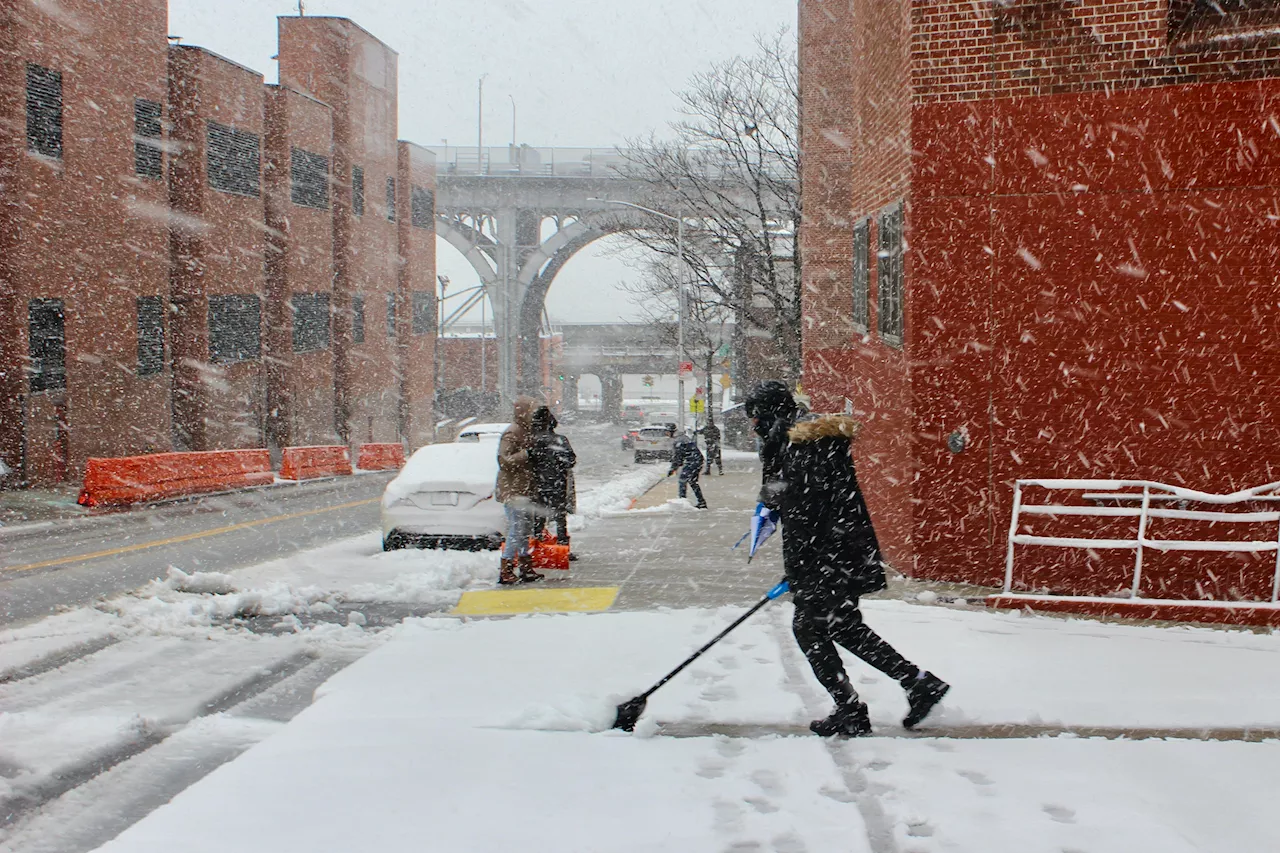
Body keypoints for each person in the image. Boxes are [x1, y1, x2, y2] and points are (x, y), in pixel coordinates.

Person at [743, 380, 949, 737]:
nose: (754, 427)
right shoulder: (800, 443)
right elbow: (807, 507)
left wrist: (804, 568)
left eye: (756, 418)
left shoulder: (800, 448)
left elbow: (808, 514)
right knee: (841, 626)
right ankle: (916, 684)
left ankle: (853, 707)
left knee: (810, 627)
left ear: (771, 414)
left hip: (829, 557)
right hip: (839, 554)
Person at [495, 396, 545, 585]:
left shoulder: (526, 430)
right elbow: (504, 459)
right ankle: (506, 569)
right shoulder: (513, 432)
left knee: (524, 529)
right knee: (517, 529)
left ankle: (525, 566)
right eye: (532, 410)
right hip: (514, 490)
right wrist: (527, 454)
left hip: (524, 488)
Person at [529, 406, 578, 559]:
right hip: (557, 484)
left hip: (539, 485)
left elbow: (527, 462)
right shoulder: (560, 440)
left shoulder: (532, 441)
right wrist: (559, 465)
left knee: (539, 517)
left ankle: (538, 547)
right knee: (559, 517)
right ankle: (563, 548)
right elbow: (571, 460)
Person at [666, 426, 707, 509]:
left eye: (667, 432)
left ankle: (682, 501)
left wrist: (673, 469)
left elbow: (677, 458)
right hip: (697, 460)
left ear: (671, 432)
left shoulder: (678, 441)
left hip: (693, 461)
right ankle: (701, 502)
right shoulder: (683, 438)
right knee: (693, 481)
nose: (666, 434)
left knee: (683, 479)